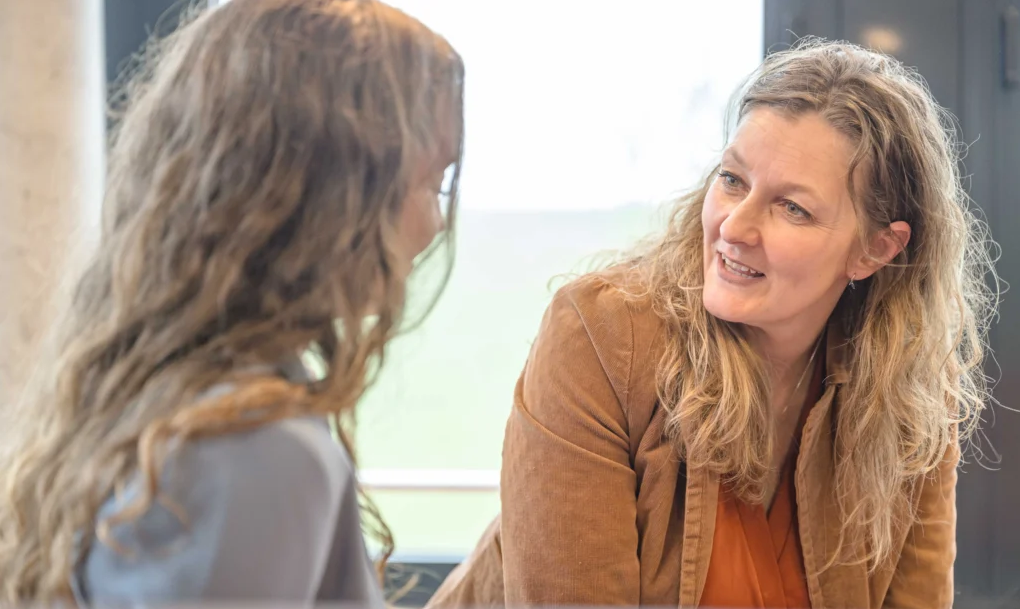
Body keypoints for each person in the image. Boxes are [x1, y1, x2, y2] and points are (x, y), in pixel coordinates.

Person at [427, 39, 997, 609]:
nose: (735, 227)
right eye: (732, 180)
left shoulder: (911, 384)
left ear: (876, 250)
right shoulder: (598, 338)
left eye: (791, 207)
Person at [0, 0, 464, 604]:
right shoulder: (257, 449)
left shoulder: (165, 399)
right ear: (328, 190)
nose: (434, 225)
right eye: (432, 182)